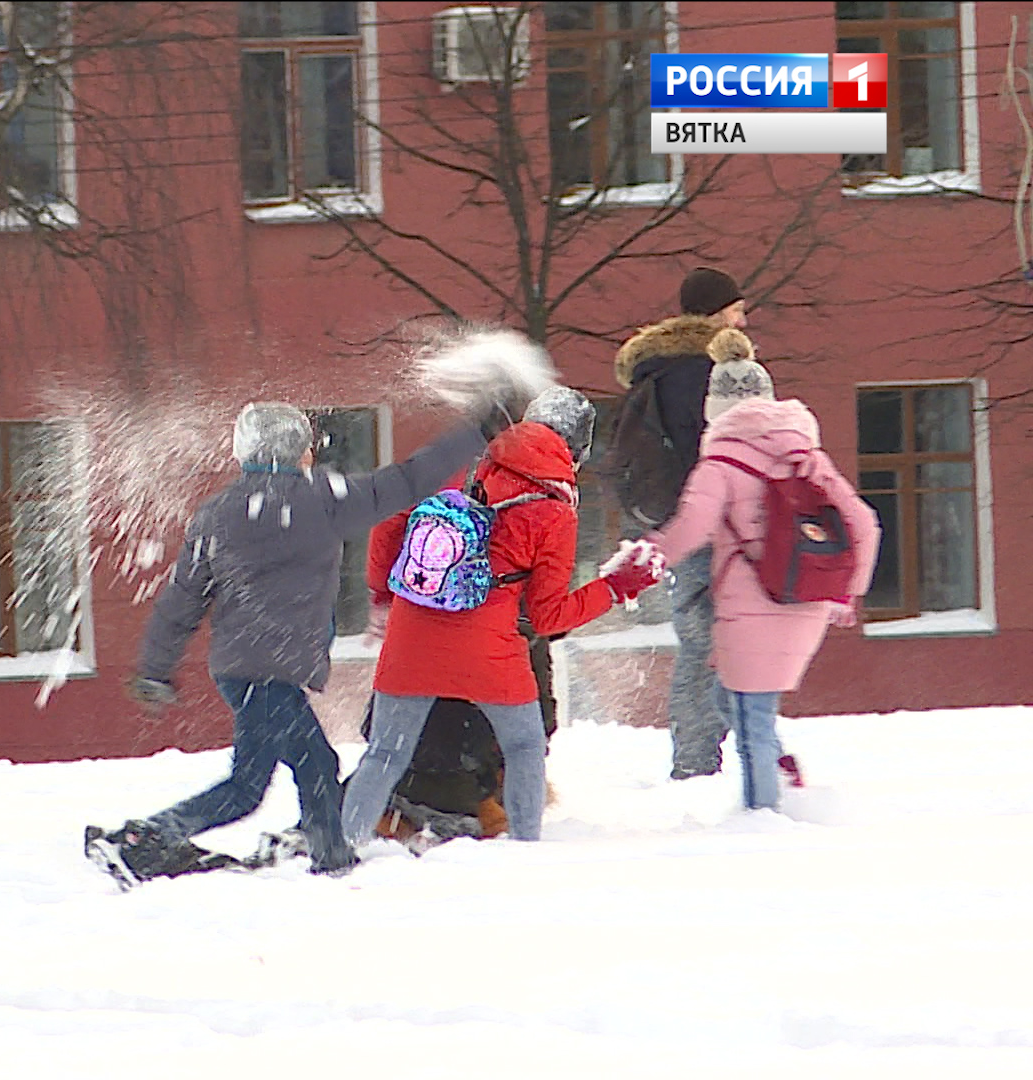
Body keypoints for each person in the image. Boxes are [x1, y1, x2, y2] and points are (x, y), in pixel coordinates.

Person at [94, 401, 496, 880]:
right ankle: (327, 862)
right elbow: (411, 479)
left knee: (253, 784)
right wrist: (478, 431)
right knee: (314, 767)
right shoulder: (325, 498)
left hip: (239, 671)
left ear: (246, 452)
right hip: (271, 674)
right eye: (307, 446)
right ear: (298, 451)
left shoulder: (218, 512)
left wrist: (156, 669)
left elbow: (181, 600)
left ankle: (164, 835)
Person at [341, 416, 664, 848]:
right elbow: (548, 617)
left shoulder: (452, 472)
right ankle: (525, 846)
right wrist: (614, 586)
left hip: (411, 637)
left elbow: (387, 525)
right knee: (524, 746)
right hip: (489, 650)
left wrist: (383, 592)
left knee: (385, 751)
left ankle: (342, 848)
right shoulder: (551, 511)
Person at [645, 331, 878, 811]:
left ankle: (764, 819)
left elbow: (691, 526)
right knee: (735, 700)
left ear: (715, 408)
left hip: (752, 601)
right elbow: (864, 523)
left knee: (749, 716)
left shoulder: (720, 462)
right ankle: (779, 775)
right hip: (808, 597)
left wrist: (651, 554)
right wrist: (847, 594)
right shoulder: (807, 457)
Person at [612, 266, 750, 779]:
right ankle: (706, 763)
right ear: (718, 313)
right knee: (716, 643)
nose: (744, 318)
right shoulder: (709, 371)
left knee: (699, 640)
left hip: (672, 519)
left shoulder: (657, 369)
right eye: (738, 309)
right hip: (712, 519)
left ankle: (697, 759)